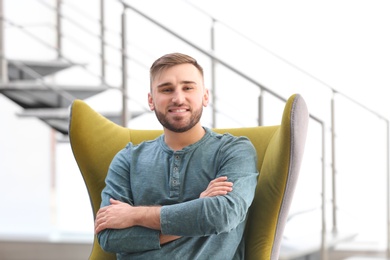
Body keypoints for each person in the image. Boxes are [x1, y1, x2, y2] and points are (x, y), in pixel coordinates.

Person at [94, 52, 258, 259]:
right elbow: (109, 237)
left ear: (205, 96)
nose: (178, 98)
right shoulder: (127, 159)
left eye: (188, 87)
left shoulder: (234, 150)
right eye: (166, 89)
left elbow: (222, 216)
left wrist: (134, 215)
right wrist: (197, 209)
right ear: (151, 100)